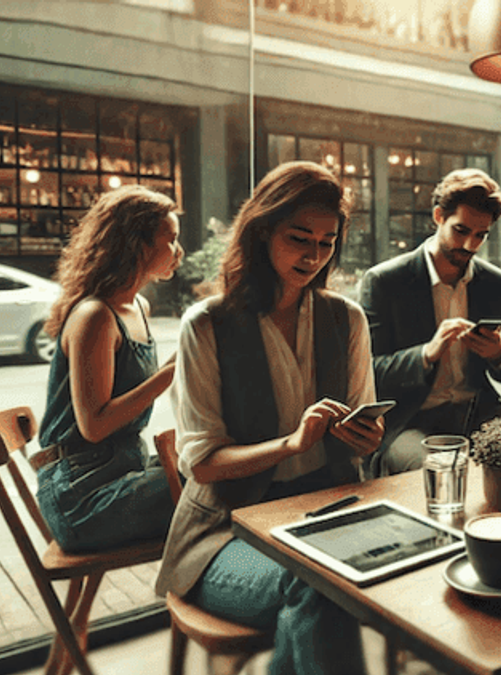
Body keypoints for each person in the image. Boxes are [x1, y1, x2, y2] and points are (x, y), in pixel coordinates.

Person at [155, 161, 383, 675]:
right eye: (299, 237)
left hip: (322, 514)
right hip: (222, 534)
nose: (314, 255)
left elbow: (365, 439)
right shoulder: (206, 326)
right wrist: (291, 444)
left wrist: (365, 437)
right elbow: (205, 466)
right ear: (261, 233)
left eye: (326, 242)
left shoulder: (346, 319)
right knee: (322, 585)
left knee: (340, 581)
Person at [359, 168, 501, 475]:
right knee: (446, 470)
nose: (469, 245)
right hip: (410, 422)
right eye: (461, 230)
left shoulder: (494, 282)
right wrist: (427, 353)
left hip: (478, 412)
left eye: (480, 235)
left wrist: (498, 353)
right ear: (439, 216)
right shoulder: (385, 281)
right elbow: (371, 374)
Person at [33, 185, 180, 553]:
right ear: (138, 245)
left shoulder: (138, 307)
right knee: (214, 484)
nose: (178, 251)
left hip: (119, 472)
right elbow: (94, 425)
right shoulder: (95, 316)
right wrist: (170, 374)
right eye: (172, 239)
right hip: (82, 495)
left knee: (211, 465)